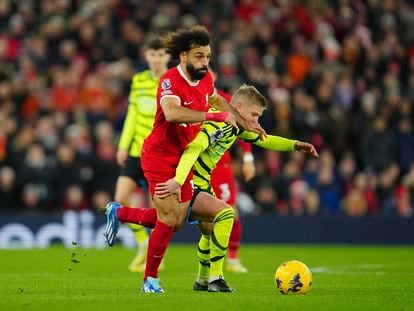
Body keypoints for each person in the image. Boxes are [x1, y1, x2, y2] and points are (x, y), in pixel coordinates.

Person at [105, 84, 317, 292]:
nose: (256, 121)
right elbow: (194, 147)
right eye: (254, 114)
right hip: (191, 181)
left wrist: (296, 145)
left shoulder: (237, 127)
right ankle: (216, 278)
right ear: (239, 106)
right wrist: (179, 180)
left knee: (192, 226)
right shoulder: (218, 123)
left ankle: (202, 280)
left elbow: (266, 140)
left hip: (202, 183)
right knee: (224, 214)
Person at [103, 26, 265, 293]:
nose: (204, 62)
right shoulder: (169, 80)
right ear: (183, 56)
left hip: (183, 157)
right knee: (168, 220)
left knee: (176, 220)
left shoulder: (205, 79)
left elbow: (215, 99)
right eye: (199, 57)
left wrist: (244, 120)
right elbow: (171, 113)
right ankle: (149, 280)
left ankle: (119, 212)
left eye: (208, 56)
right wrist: (213, 117)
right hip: (158, 156)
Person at [115, 38, 169, 272]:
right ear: (146, 56)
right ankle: (144, 243)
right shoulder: (138, 80)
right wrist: (123, 145)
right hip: (137, 151)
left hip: (158, 153)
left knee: (156, 207)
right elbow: (132, 114)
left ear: (168, 56)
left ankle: (157, 254)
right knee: (120, 199)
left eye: (161, 54)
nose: (156, 58)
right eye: (153, 54)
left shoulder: (171, 82)